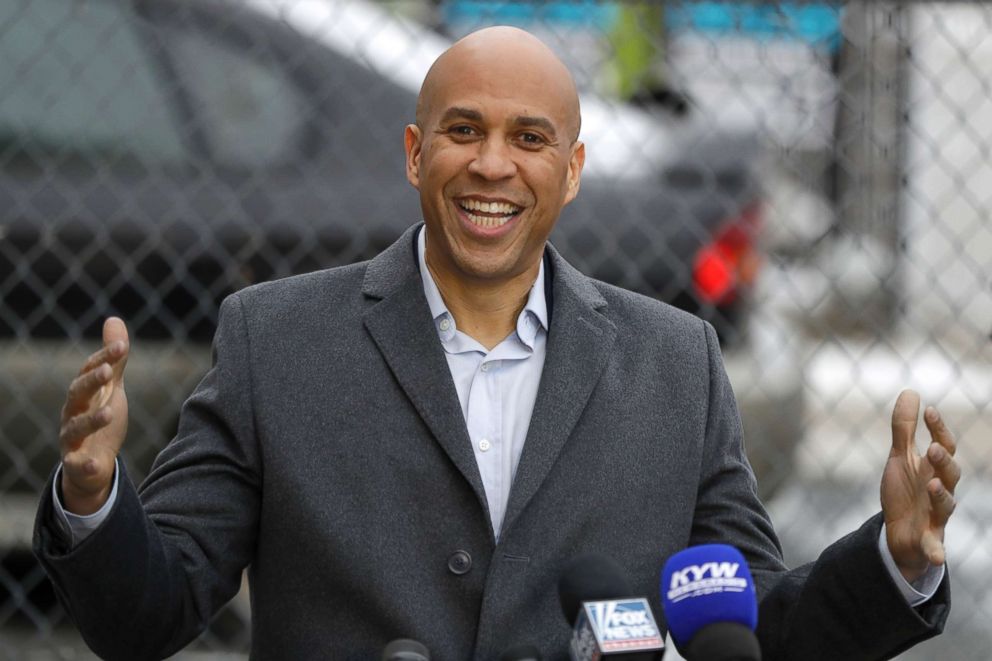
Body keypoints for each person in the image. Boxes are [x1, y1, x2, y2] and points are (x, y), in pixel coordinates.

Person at [36, 26, 958, 660]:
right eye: (463, 130)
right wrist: (92, 495)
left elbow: (749, 626)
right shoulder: (273, 339)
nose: (491, 164)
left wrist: (897, 559)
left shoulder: (677, 363)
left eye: (529, 137)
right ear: (412, 152)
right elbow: (145, 617)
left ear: (572, 170)